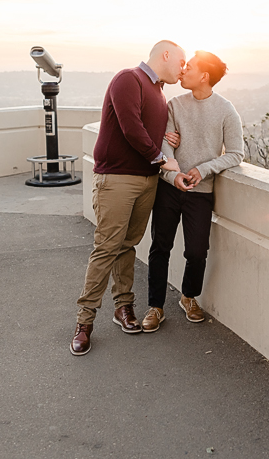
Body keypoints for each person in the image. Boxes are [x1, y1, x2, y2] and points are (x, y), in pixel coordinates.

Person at [71, 40, 186, 356]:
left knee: (128, 246)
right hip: (118, 178)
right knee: (107, 247)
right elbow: (130, 125)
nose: (183, 68)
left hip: (147, 182)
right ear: (165, 55)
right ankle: (84, 323)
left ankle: (123, 307)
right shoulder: (129, 78)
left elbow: (146, 126)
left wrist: (164, 137)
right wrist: (161, 158)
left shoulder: (160, 93)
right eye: (181, 61)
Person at [141, 50, 244, 332]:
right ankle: (155, 306)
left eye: (189, 68)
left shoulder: (226, 110)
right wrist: (173, 175)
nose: (183, 70)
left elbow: (236, 154)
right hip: (169, 188)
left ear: (204, 76)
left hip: (201, 191)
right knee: (160, 247)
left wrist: (204, 169)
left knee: (197, 252)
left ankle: (188, 297)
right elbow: (166, 145)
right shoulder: (174, 104)